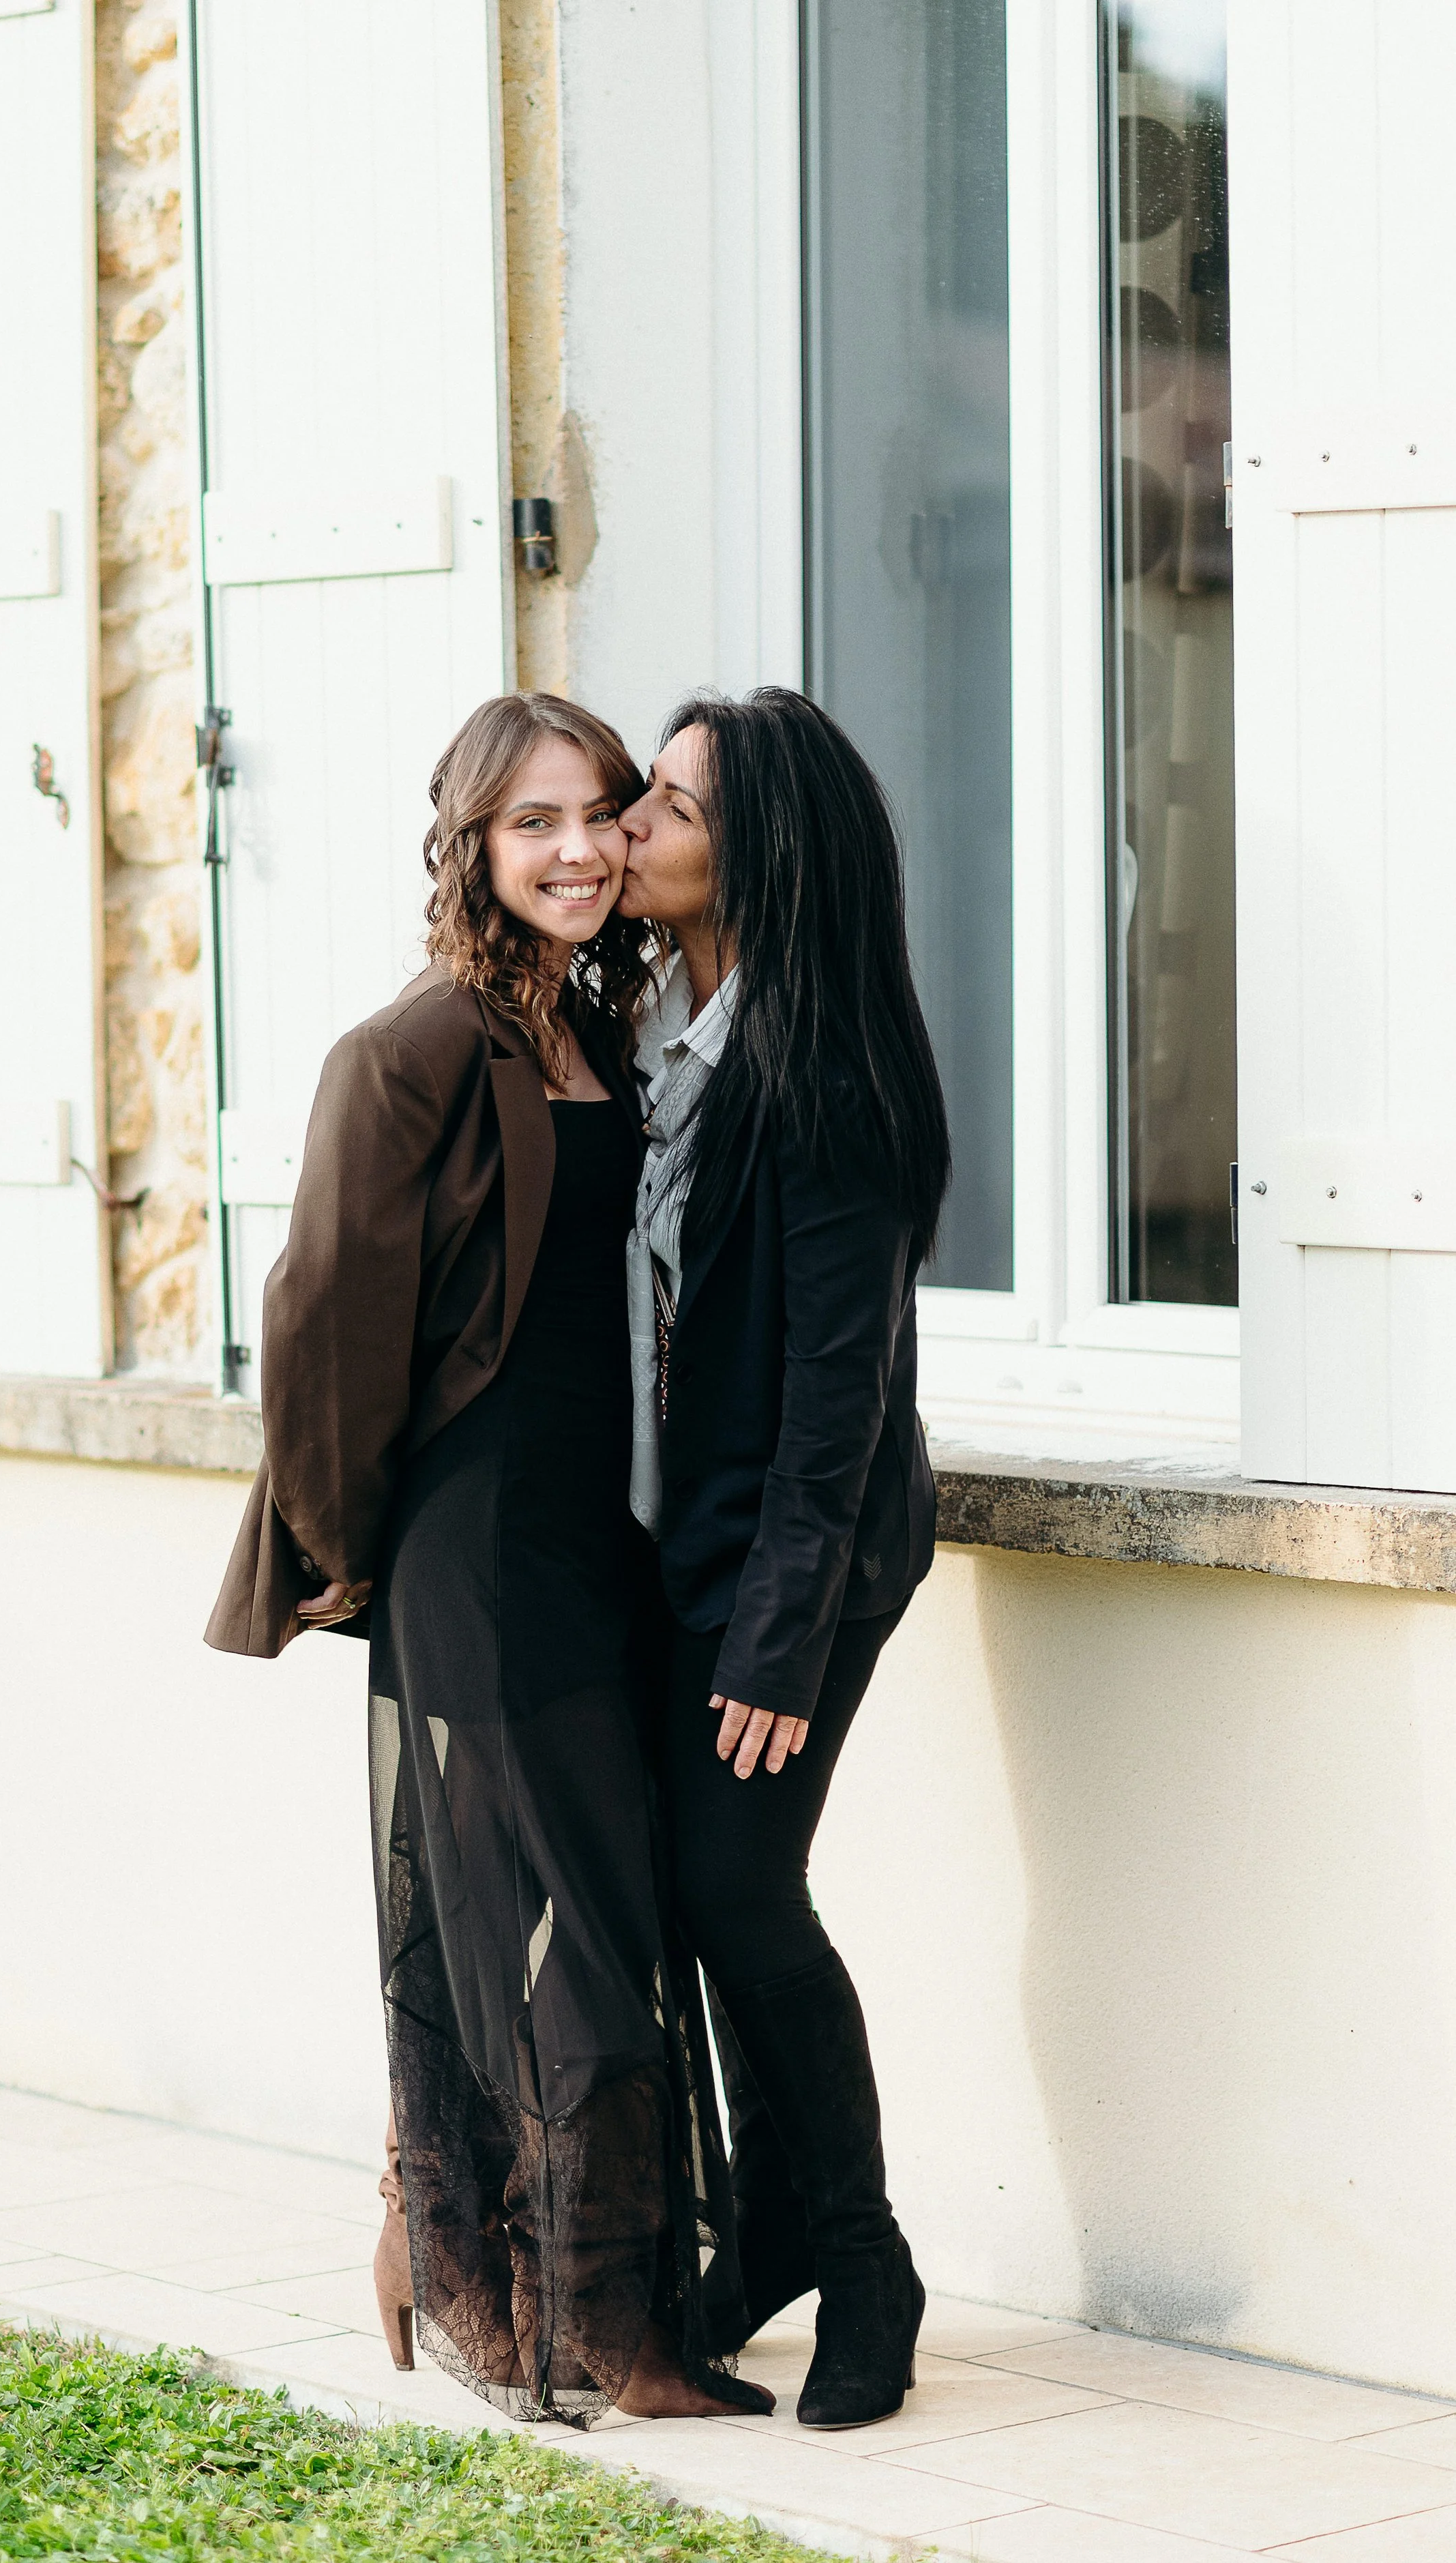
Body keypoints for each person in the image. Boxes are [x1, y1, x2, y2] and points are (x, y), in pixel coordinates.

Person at [205, 692, 770, 2429]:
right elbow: (312, 1328)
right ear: (471, 843)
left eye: (603, 812)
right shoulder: (420, 1045)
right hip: (476, 1551)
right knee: (569, 1930)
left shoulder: (595, 1022)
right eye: (535, 823)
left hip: (591, 1542)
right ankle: (595, 2329)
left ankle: (434, 2229)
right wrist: (341, 1553)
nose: (582, 847)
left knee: (542, 1918)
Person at [614, 687, 951, 2431]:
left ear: (761, 854)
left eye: (667, 806)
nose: (631, 827)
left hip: (799, 1564)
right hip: (695, 1548)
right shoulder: (665, 1032)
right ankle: (760, 2235)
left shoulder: (825, 1080)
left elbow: (840, 1400)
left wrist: (775, 1641)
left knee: (746, 1893)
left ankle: (864, 2259)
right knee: (694, 1895)